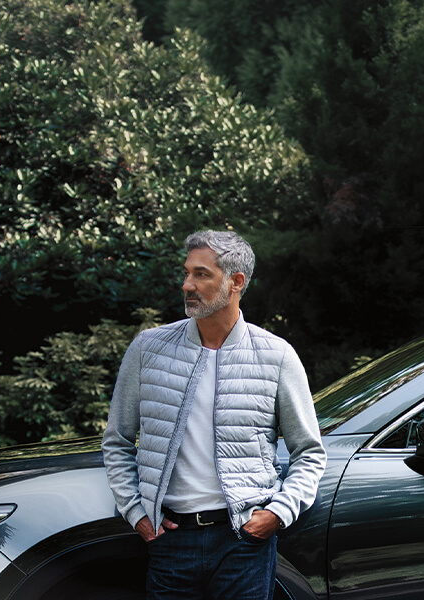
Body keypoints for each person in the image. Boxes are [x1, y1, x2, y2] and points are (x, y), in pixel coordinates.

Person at [103, 230, 326, 600]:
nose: (187, 284)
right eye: (187, 273)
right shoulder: (147, 349)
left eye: (201, 274)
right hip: (169, 539)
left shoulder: (277, 355)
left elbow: (309, 452)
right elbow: (117, 440)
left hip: (243, 542)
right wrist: (135, 512)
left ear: (235, 282)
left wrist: (277, 514)